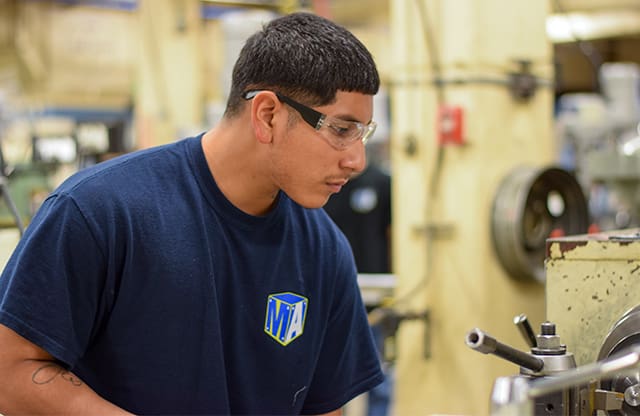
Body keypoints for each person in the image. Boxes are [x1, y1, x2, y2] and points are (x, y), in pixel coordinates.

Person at [0, 12, 383, 415]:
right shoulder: (101, 211)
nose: (357, 160)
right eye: (341, 130)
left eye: (363, 133)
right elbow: (10, 371)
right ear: (267, 114)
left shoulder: (323, 249)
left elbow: (324, 407)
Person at [323, 143, 393, 416]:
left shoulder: (380, 183)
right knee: (331, 382)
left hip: (374, 299)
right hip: (331, 299)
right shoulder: (322, 188)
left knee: (378, 379)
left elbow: (392, 234)